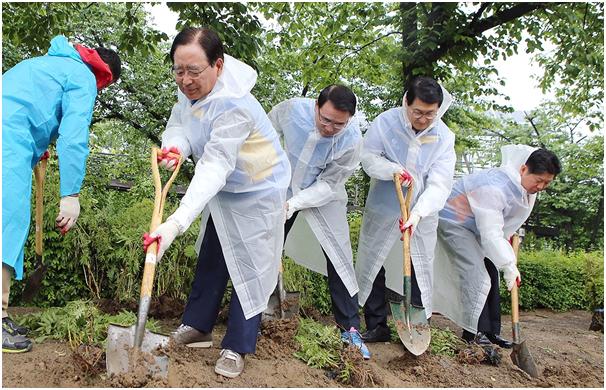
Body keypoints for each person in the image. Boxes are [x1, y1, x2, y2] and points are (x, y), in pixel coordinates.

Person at [144, 27, 291, 379]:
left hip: (260, 191)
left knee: (251, 267)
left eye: (194, 71)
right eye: (178, 71)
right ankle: (198, 326)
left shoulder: (234, 104)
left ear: (219, 66)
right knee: (213, 254)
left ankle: (238, 344)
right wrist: (176, 148)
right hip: (226, 191)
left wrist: (175, 224)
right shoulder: (188, 93)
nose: (185, 80)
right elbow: (179, 124)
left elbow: (214, 166)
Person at [2, 35, 121, 353]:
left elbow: (33, 107)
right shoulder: (84, 77)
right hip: (9, 134)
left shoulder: (49, 64)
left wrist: (38, 145)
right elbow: (73, 136)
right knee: (9, 220)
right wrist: (70, 195)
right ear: (105, 76)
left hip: (13, 130)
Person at [267, 85, 369, 359]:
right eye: (325, 119)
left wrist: (296, 203)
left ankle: (350, 329)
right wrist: (271, 171)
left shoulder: (351, 141)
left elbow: (329, 184)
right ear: (316, 106)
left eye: (339, 124)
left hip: (325, 195)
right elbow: (266, 132)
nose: (330, 128)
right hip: (282, 186)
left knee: (340, 258)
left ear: (349, 120)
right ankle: (253, 311)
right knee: (266, 246)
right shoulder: (291, 110)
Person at [355, 76, 456, 343]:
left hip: (423, 208)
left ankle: (419, 324)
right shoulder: (386, 122)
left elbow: (440, 182)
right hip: (385, 202)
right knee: (374, 259)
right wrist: (393, 170)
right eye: (418, 112)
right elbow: (368, 157)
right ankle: (376, 324)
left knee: (420, 262)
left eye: (430, 114)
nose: (423, 119)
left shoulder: (444, 136)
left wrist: (419, 213)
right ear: (406, 103)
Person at [433, 145, 561, 347]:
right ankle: (473, 333)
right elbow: (491, 232)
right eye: (539, 181)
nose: (541, 187)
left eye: (547, 183)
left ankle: (490, 331)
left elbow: (500, 226)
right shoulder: (494, 187)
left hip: (478, 228)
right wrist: (509, 264)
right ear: (523, 169)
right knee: (476, 272)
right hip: (454, 222)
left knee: (491, 272)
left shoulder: (524, 189)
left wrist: (504, 255)